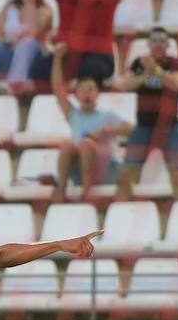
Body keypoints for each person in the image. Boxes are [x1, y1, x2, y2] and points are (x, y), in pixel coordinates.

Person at [51, 42, 134, 201]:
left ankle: (87, 192)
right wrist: (57, 59)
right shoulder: (73, 114)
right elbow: (57, 88)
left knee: (86, 144)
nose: (86, 94)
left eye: (91, 89)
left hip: (103, 168)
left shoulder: (106, 116)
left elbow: (131, 129)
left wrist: (108, 130)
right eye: (82, 90)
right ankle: (61, 188)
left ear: (97, 94)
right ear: (75, 95)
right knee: (68, 144)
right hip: (79, 168)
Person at [115, 26, 178, 202]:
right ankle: (121, 215)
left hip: (170, 126)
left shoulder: (174, 63)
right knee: (126, 174)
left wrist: (156, 70)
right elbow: (125, 85)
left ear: (167, 45)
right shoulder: (139, 63)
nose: (158, 45)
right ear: (148, 44)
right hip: (144, 126)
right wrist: (146, 74)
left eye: (162, 41)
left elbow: (176, 84)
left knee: (176, 175)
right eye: (154, 40)